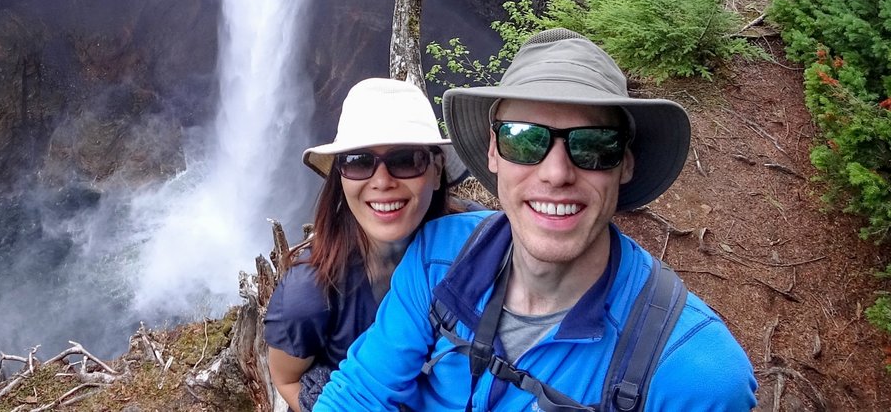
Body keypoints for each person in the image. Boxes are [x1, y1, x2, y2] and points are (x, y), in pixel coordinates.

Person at [313, 29, 757, 411]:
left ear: (625, 163)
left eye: (593, 145)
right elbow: (360, 395)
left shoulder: (692, 373)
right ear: (493, 152)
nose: (557, 173)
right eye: (524, 140)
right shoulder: (438, 256)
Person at [264, 77, 470, 412]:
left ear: (436, 170)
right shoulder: (310, 296)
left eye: (406, 159)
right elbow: (287, 379)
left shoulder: (477, 247)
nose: (382, 182)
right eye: (359, 161)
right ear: (340, 177)